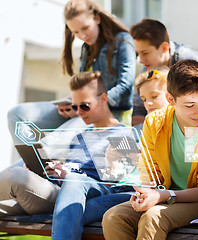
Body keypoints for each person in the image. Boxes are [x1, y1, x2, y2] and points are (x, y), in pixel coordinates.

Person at [102, 59, 198, 240]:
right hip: (164, 196)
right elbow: (150, 174)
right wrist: (145, 195)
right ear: (171, 99)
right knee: (113, 217)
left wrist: (162, 195)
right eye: (189, 105)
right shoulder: (154, 122)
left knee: (153, 218)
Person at [0, 72, 134, 240]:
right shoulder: (80, 136)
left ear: (103, 99)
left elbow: (119, 181)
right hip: (54, 191)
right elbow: (70, 168)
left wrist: (68, 175)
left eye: (84, 106)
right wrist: (43, 169)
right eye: (75, 107)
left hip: (81, 195)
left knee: (17, 175)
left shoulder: (123, 135)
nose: (79, 112)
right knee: (21, 176)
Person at [7, 0, 136, 144]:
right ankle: (31, 161)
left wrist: (85, 106)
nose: (82, 36)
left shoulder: (122, 41)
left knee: (51, 143)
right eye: (75, 32)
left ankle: (37, 163)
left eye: (85, 28)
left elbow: (125, 87)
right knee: (16, 115)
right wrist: (70, 103)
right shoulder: (87, 49)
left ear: (97, 19)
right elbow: (83, 89)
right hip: (80, 108)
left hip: (109, 113)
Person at [129, 18, 198, 126]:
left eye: (145, 53)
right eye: (137, 54)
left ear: (164, 47)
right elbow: (138, 106)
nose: (141, 60)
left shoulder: (189, 61)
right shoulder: (149, 68)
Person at [133, 67, 169, 132]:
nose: (148, 103)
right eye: (144, 100)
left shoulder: (187, 123)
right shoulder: (150, 127)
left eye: (154, 96)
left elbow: (190, 142)